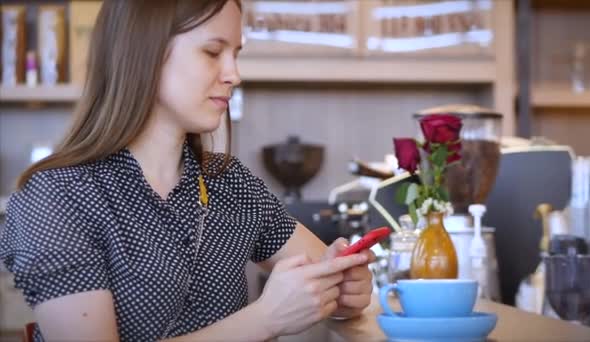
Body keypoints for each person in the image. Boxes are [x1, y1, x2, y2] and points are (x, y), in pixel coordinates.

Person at [0, 1, 376, 341]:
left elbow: (326, 273)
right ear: (143, 54)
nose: (234, 74)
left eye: (235, 54)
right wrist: (265, 319)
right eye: (213, 52)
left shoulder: (229, 182)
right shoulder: (56, 198)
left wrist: (344, 289)